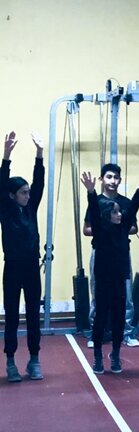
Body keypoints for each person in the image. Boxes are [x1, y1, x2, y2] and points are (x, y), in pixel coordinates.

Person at [80, 167, 139, 374]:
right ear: (106, 215)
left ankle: (115, 353)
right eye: (115, 212)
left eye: (120, 211)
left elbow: (135, 206)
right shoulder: (100, 231)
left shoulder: (123, 228)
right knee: (101, 314)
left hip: (119, 277)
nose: (120, 214)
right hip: (103, 278)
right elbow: (94, 210)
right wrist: (91, 192)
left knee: (120, 315)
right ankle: (97, 356)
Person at [1, 131, 45, 382]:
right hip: (12, 268)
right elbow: (1, 183)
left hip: (31, 268)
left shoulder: (31, 209)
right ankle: (10, 362)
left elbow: (39, 183)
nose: (28, 196)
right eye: (23, 193)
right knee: (12, 316)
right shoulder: (5, 210)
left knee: (32, 315)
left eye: (28, 192)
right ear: (12, 195)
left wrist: (39, 154)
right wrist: (6, 156)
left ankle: (34, 360)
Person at [83, 163, 139, 348]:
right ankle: (95, 334)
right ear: (102, 179)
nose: (112, 181)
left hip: (121, 253)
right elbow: (86, 229)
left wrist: (119, 228)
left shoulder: (126, 203)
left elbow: (134, 227)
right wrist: (106, 229)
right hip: (100, 253)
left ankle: (127, 333)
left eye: (116, 177)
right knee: (98, 293)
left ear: (120, 180)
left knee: (126, 295)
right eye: (109, 177)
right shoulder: (97, 202)